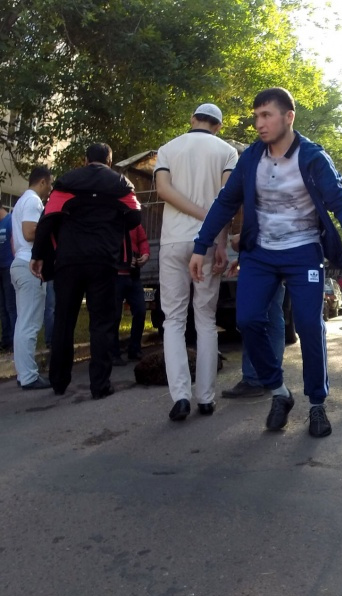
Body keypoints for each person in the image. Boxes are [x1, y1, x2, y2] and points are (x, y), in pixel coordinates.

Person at [189, 87, 342, 436]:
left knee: (309, 324)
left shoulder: (312, 157)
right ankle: (278, 390)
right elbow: (224, 203)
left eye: (266, 115)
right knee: (247, 320)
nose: (259, 124)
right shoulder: (250, 158)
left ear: (288, 117)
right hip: (259, 254)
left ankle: (318, 404)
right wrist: (200, 246)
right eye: (256, 116)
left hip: (303, 252)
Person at [31, 144, 142, 399]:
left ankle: (59, 382)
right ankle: (99, 386)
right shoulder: (121, 184)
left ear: (85, 160)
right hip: (103, 261)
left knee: (64, 320)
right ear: (110, 162)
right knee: (101, 323)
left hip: (69, 260)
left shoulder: (67, 181)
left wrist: (38, 256)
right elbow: (135, 216)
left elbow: (47, 218)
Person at [154, 103, 238, 420]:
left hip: (173, 240)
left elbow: (163, 190)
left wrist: (198, 215)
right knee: (205, 319)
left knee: (173, 320)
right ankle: (205, 397)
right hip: (207, 242)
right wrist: (216, 235)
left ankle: (180, 397)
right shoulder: (227, 151)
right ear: (218, 126)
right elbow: (227, 199)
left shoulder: (167, 149)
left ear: (193, 120)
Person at [222, 234, 286, 400]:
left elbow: (260, 225)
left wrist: (241, 239)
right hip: (277, 256)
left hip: (261, 260)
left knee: (252, 319)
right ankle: (271, 376)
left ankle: (253, 379)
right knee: (273, 316)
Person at [11, 166, 53, 390]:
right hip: (30, 266)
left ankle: (23, 373)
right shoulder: (34, 201)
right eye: (50, 184)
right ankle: (28, 376)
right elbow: (29, 232)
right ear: (43, 182)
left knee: (22, 323)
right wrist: (50, 229)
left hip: (19, 263)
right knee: (30, 324)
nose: (50, 190)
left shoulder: (20, 202)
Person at [112, 223, 150, 365]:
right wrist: (124, 258)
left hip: (133, 275)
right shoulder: (111, 219)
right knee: (114, 315)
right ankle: (113, 353)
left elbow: (142, 240)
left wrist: (145, 254)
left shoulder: (134, 221)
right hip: (116, 275)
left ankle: (134, 349)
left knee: (140, 310)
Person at [0, 205, 15, 352]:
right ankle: (5, 341)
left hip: (8, 268)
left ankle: (14, 341)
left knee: (11, 306)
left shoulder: (9, 221)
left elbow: (14, 244)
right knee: (2, 307)